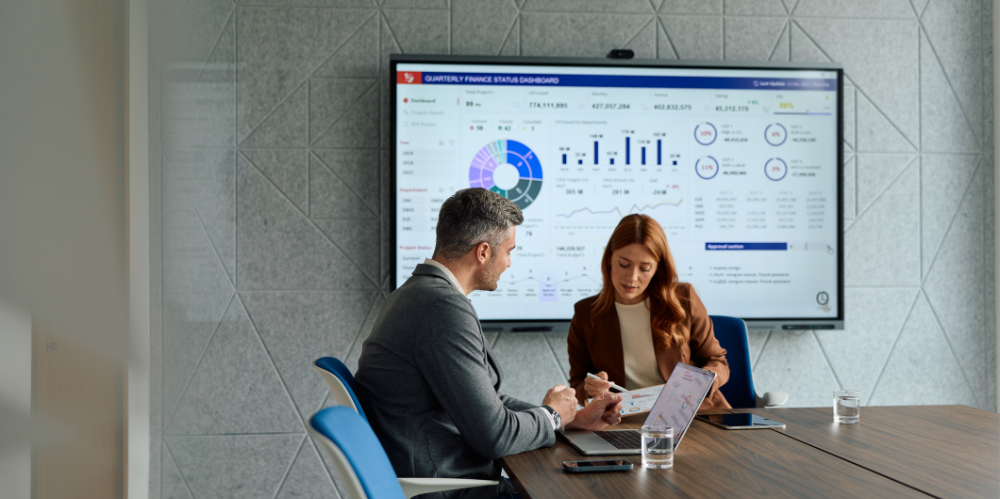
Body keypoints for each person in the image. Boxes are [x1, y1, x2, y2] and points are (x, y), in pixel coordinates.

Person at [355, 188, 623, 499]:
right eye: (509, 250)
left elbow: (484, 402)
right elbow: (494, 436)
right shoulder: (441, 309)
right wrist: (550, 416)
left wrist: (570, 418)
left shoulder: (417, 294)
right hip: (449, 489)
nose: (510, 262)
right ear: (483, 252)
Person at [567, 214, 731, 409]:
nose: (632, 277)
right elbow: (578, 383)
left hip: (692, 414)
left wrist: (697, 386)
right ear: (609, 258)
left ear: (657, 269)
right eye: (624, 264)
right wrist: (590, 389)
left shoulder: (683, 298)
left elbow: (717, 362)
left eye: (645, 268)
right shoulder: (586, 313)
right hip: (624, 420)